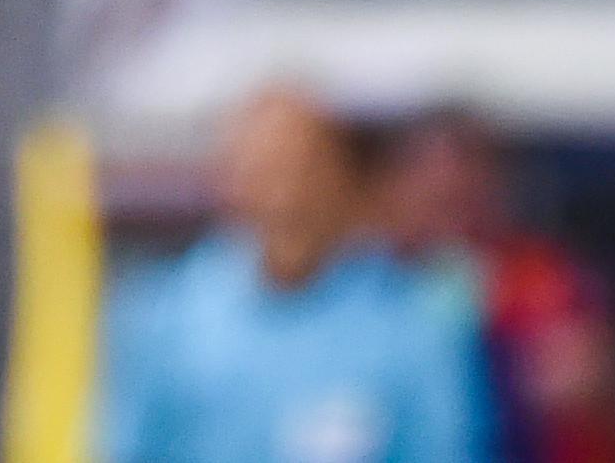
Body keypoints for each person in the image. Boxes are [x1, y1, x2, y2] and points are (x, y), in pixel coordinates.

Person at [101, 86, 495, 463]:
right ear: (230, 182)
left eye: (304, 170)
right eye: (265, 170)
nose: (286, 195)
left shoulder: (413, 327)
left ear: (340, 181)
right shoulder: (169, 319)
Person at [378, 110, 615, 463]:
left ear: (494, 180)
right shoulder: (371, 285)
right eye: (431, 184)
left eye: (463, 178)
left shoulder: (543, 277)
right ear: (396, 187)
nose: (448, 186)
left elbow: (581, 383)